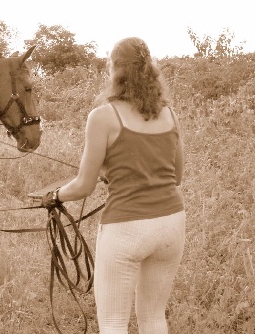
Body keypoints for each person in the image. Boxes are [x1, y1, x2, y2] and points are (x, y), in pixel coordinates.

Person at [42, 37, 186, 333]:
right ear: (150, 70)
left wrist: (55, 195)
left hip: (127, 228)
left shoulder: (103, 116)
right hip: (172, 223)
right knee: (154, 317)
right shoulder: (169, 114)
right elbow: (177, 176)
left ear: (115, 71)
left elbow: (83, 186)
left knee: (113, 323)